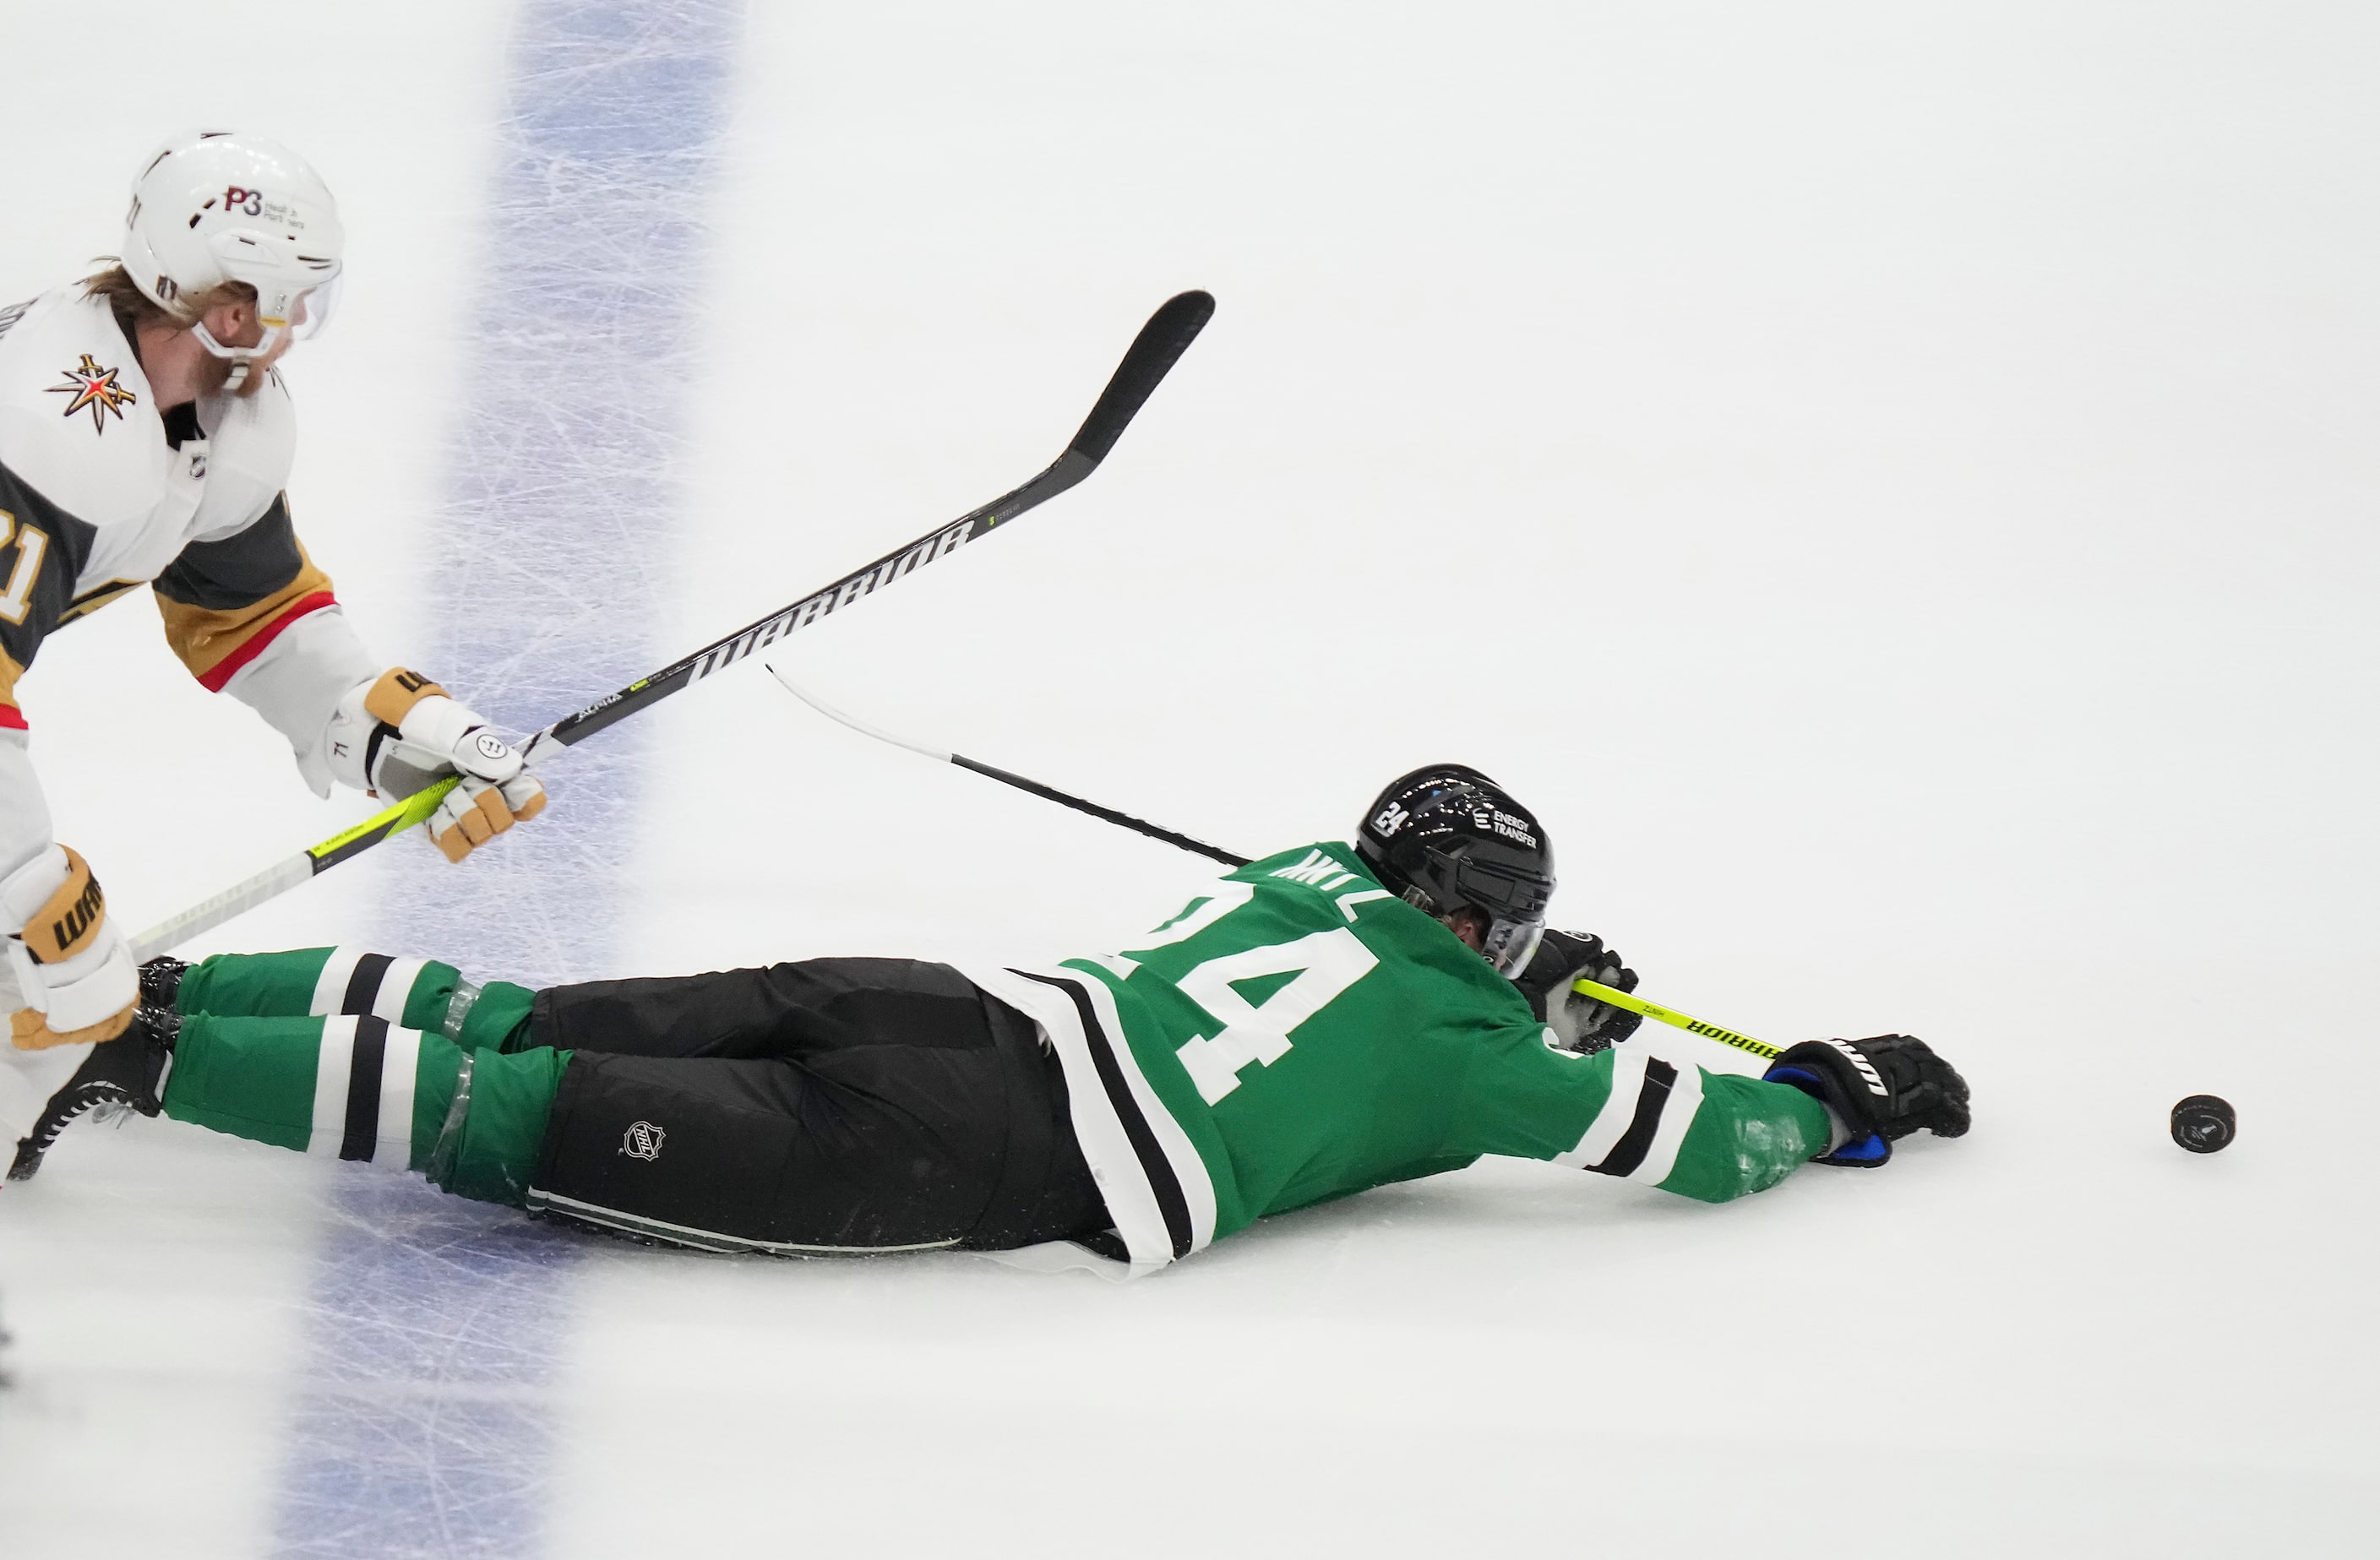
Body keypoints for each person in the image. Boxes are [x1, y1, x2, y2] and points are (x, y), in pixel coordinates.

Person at [3, 765, 1970, 1275]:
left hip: (944, 1004)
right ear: (1471, 919)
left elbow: (1384, 952)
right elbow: (1679, 1139)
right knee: (517, 1115)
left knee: (506, 1010)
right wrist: (1814, 1098)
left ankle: (138, 987)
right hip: (992, 1149)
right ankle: (120, 1052)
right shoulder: (1472, 1059)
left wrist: (1517, 970)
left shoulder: (1300, 871)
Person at [0, 132, 550, 1052]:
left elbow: (247, 612)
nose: (295, 327)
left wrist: (377, 724)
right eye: (279, 301)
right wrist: (24, 892)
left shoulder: (211, 415)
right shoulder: (46, 428)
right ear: (221, 303)